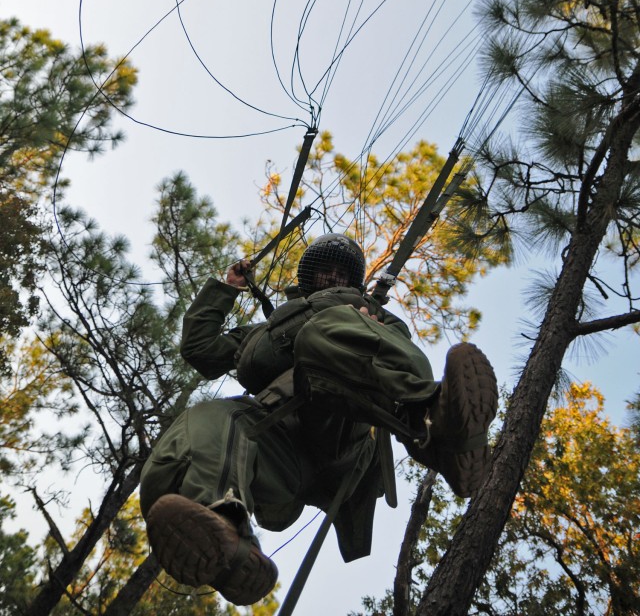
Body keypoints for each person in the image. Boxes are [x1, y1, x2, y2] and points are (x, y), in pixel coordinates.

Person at [140, 234, 498, 606]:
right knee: (210, 418)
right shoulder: (265, 333)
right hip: (277, 461)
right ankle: (227, 537)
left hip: (343, 434)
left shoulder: (368, 316)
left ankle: (435, 425)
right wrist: (226, 290)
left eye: (341, 271)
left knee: (319, 334)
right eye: (324, 268)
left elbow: (398, 351)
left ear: (354, 281)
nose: (332, 276)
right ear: (308, 274)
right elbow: (200, 349)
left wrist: (362, 325)